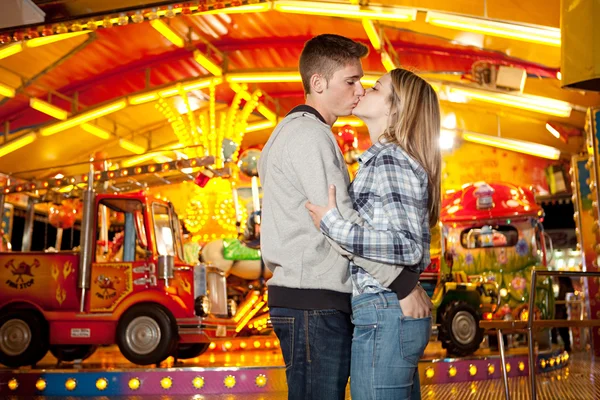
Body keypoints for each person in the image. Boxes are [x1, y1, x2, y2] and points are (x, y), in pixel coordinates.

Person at [258, 34, 432, 400]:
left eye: (364, 82)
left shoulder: (300, 133)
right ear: (318, 83)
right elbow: (341, 223)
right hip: (314, 300)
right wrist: (402, 284)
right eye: (351, 81)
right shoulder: (310, 137)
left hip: (313, 297)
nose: (359, 90)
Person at [306, 68, 441, 399]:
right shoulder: (383, 160)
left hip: (384, 310)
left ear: (395, 108)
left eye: (377, 87)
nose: (364, 89)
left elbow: (405, 245)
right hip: (385, 310)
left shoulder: (391, 161)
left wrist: (333, 224)